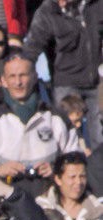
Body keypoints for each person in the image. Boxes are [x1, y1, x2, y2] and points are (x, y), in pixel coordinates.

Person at [0, 52, 80, 195]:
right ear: (4, 81)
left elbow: (78, 163)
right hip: (5, 205)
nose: (18, 82)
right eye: (12, 76)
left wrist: (56, 169)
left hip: (50, 200)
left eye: (23, 75)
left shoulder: (57, 118)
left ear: (35, 77)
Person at [22, 0, 103, 150]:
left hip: (96, 83)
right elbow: (31, 49)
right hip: (65, 84)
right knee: (66, 135)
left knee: (98, 137)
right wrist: (23, 76)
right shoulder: (47, 11)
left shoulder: (96, 5)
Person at [38, 151, 103, 220]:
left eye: (82, 176)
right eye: (72, 177)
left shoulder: (97, 211)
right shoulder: (42, 208)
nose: (78, 182)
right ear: (58, 179)